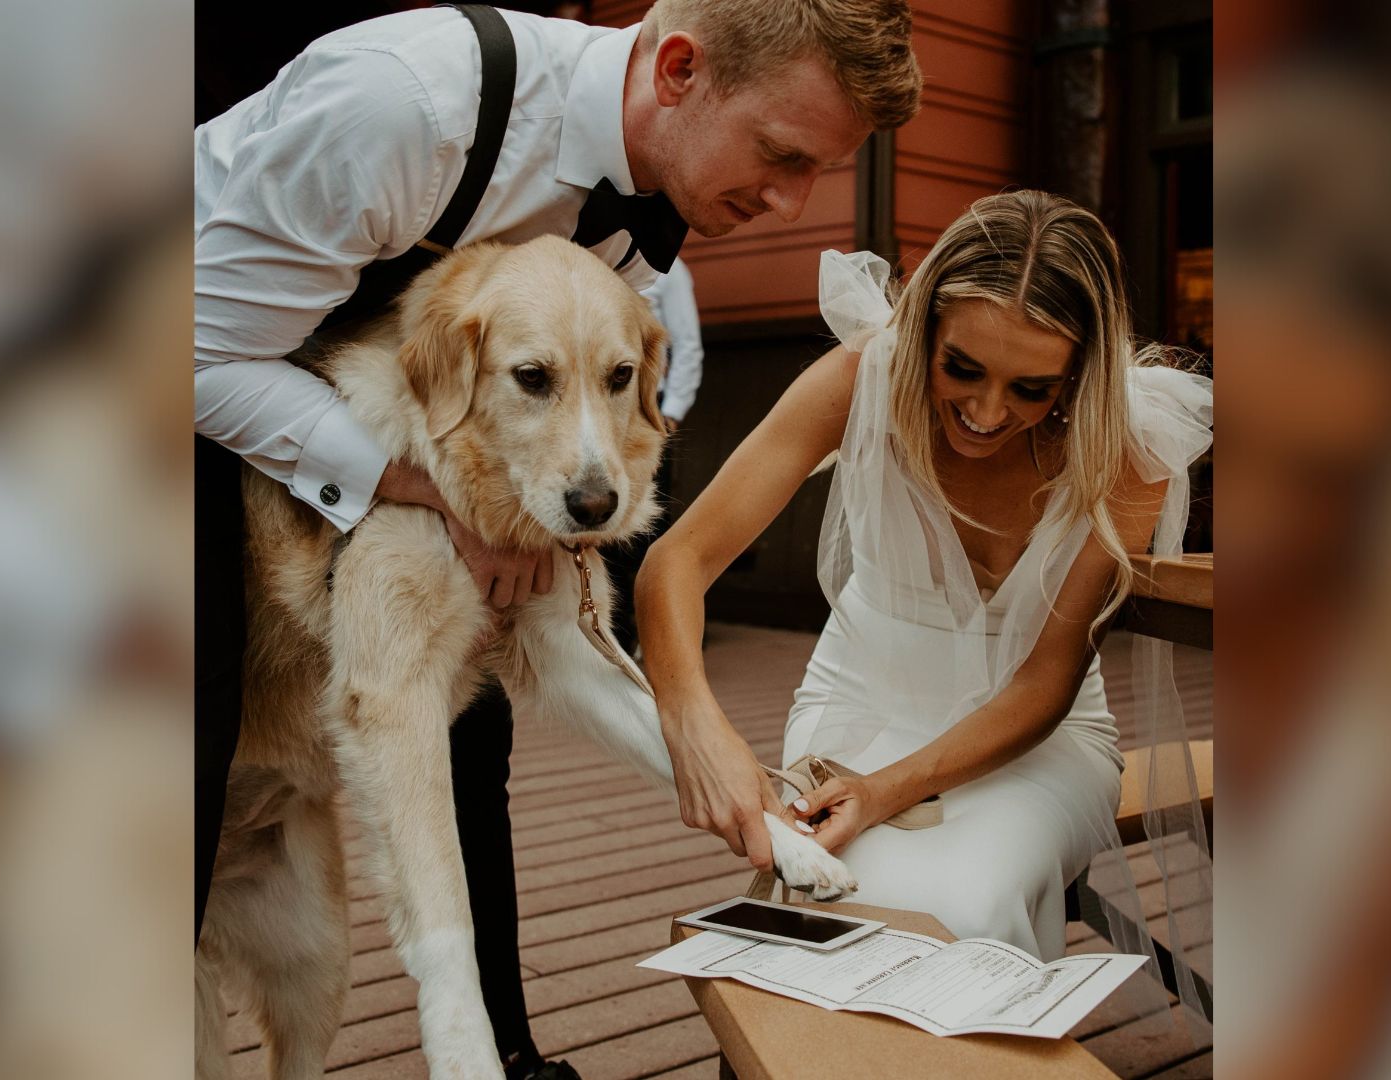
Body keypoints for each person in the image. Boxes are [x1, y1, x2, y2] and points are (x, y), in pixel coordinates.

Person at [194, 3, 920, 1077]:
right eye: (780, 155)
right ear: (678, 70)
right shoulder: (405, 106)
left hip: (368, 418)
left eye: (816, 171)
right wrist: (422, 486)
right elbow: (194, 351)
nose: (789, 202)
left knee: (474, 710)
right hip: (129, 400)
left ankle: (496, 1046)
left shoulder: (643, 193)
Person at [637, 192, 1213, 977]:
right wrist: (695, 723)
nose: (985, 411)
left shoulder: (1131, 445)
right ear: (926, 333)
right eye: (962, 367)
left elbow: (1045, 686)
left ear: (1081, 373)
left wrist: (882, 792)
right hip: (863, 702)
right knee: (847, 894)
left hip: (1039, 740)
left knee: (969, 899)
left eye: (1032, 389)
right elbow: (678, 561)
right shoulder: (858, 379)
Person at [610, 254, 704, 655]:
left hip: (648, 413)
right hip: (603, 412)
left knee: (648, 526)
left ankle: (660, 633)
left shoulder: (670, 269)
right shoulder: (600, 256)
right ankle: (614, 634)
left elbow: (686, 343)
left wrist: (671, 413)